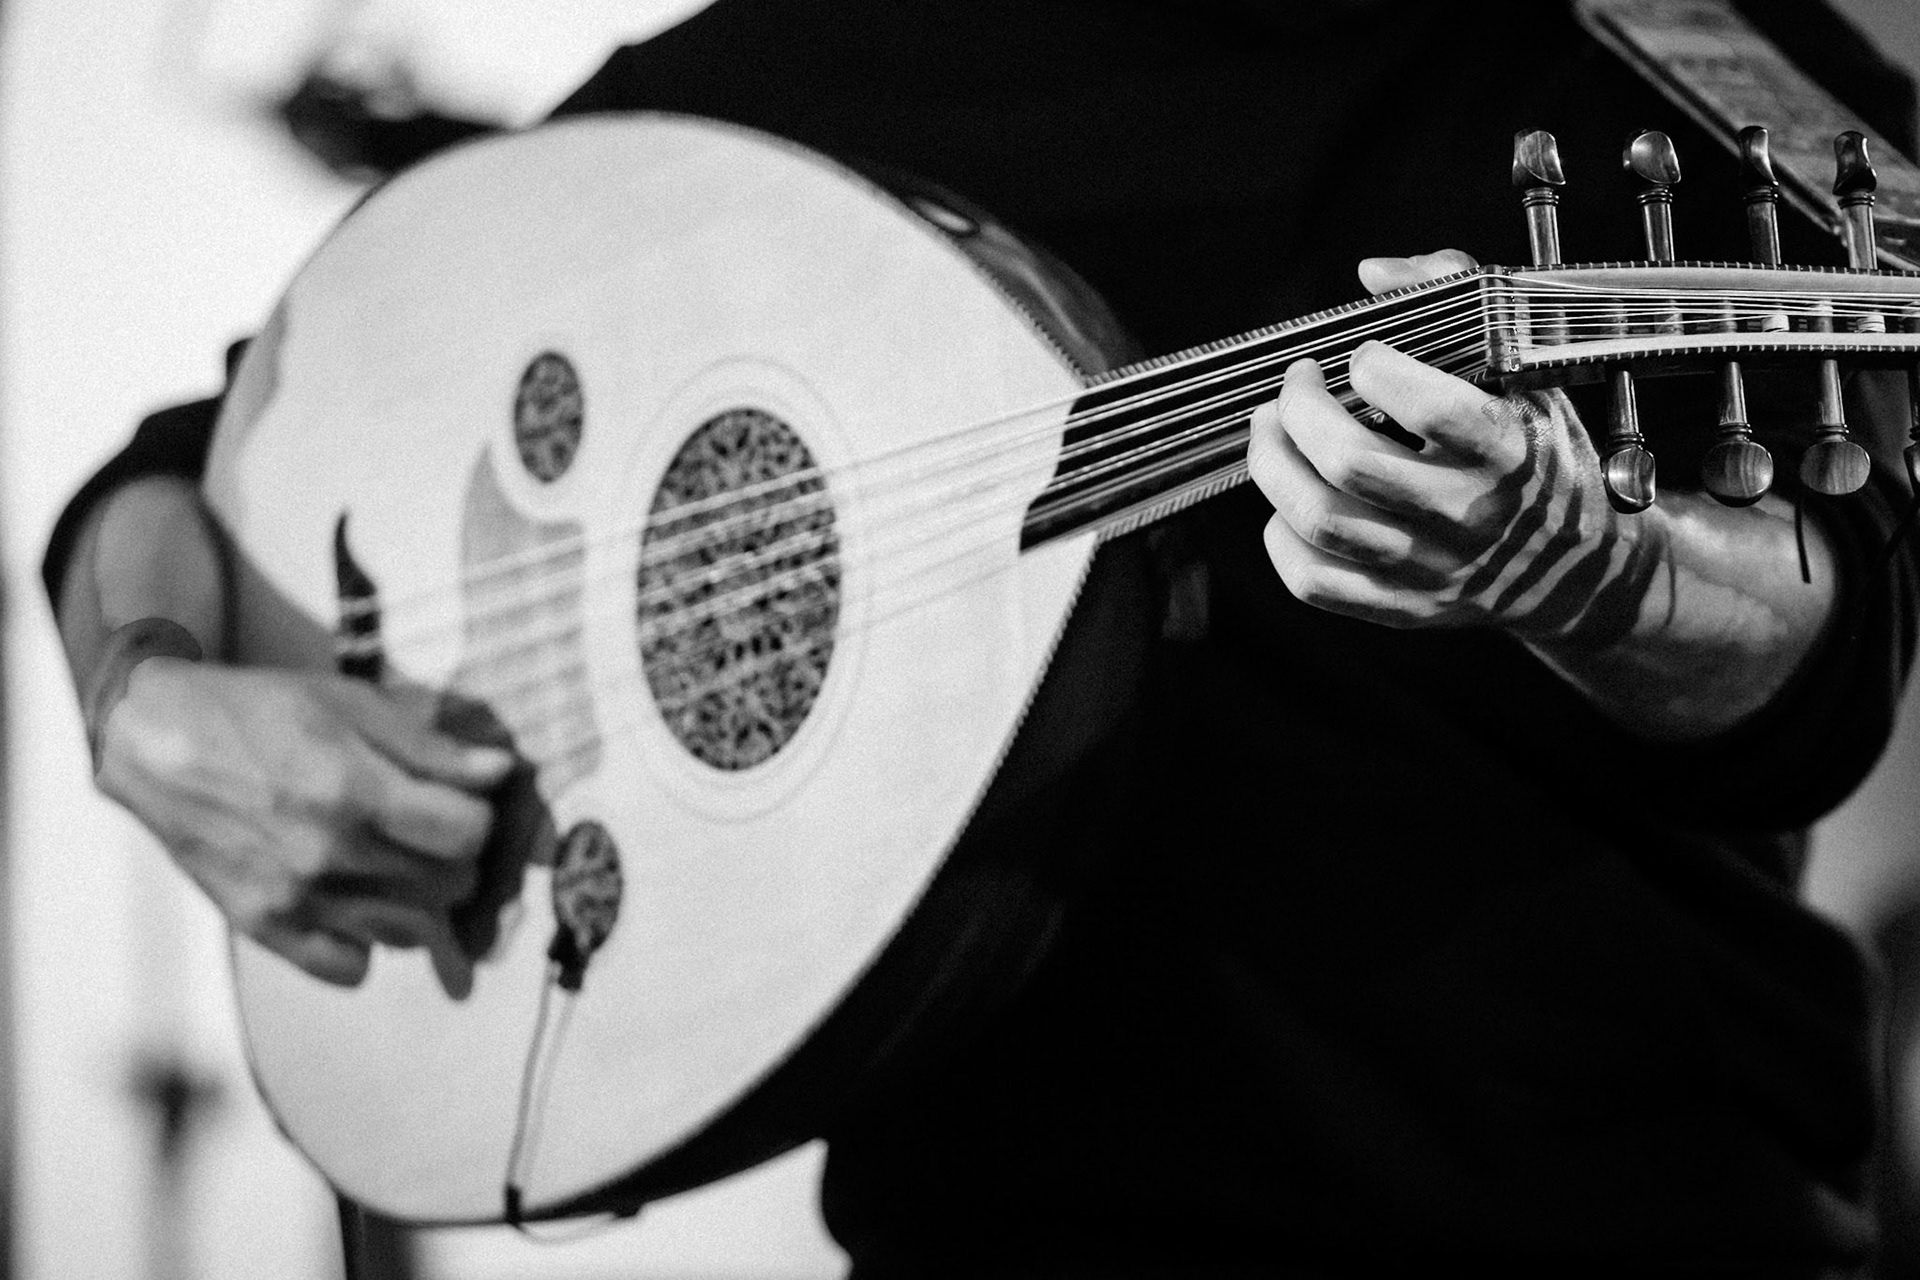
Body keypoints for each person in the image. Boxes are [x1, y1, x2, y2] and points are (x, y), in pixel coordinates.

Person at [42, 0, 1920, 1274]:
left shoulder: (1628, 41)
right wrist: (145, 703)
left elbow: (1821, 672)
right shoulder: (744, 83)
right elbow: (192, 470)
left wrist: (1586, 576)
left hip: (1597, 1213)